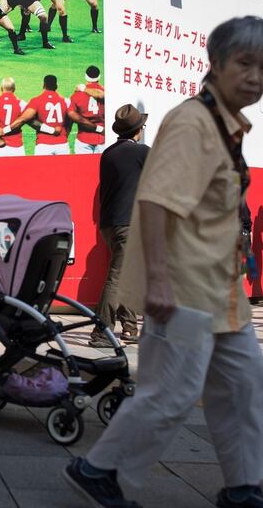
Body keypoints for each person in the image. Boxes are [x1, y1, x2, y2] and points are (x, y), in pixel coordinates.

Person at [64, 16, 263, 508]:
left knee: (246, 388)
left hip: (222, 293)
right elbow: (157, 201)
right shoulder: (193, 122)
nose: (255, 76)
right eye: (245, 63)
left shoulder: (227, 125)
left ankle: (243, 487)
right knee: (172, 392)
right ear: (218, 63)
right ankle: (98, 471)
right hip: (183, 293)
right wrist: (157, 281)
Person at [89, 104, 149, 349]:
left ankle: (130, 327)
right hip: (129, 222)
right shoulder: (141, 153)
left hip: (109, 223)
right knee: (117, 276)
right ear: (138, 130)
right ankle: (101, 333)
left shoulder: (109, 153)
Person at [11, 74, 69, 156]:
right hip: (62, 144)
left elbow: (25, 119)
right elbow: (71, 118)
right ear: (56, 86)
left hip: (43, 145)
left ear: (43, 85)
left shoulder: (36, 100)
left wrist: (5, 130)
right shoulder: (65, 101)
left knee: (41, 169)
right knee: (63, 169)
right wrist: (66, 133)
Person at [68, 65, 106, 154]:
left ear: (86, 76)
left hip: (83, 138)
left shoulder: (77, 94)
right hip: (102, 138)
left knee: (82, 167)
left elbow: (71, 114)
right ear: (99, 76)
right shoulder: (105, 91)